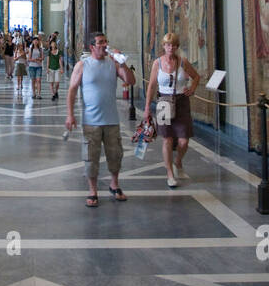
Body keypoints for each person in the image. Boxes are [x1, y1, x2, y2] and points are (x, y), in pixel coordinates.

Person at [65, 32, 135, 207]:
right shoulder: (82, 65)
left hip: (111, 119)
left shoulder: (114, 64)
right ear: (92, 47)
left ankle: (114, 184)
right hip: (91, 120)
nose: (105, 45)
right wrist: (70, 114)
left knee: (115, 155)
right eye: (100, 43)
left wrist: (123, 63)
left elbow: (131, 80)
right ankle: (92, 190)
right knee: (91, 157)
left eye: (106, 42)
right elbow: (72, 90)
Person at [144, 32, 201, 188]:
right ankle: (169, 173)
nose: (171, 48)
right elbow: (152, 85)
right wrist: (147, 107)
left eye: (174, 45)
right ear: (164, 46)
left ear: (177, 47)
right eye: (168, 45)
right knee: (167, 139)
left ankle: (178, 161)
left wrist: (192, 88)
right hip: (164, 102)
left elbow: (196, 77)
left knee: (183, 140)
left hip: (181, 101)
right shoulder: (157, 63)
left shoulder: (183, 62)